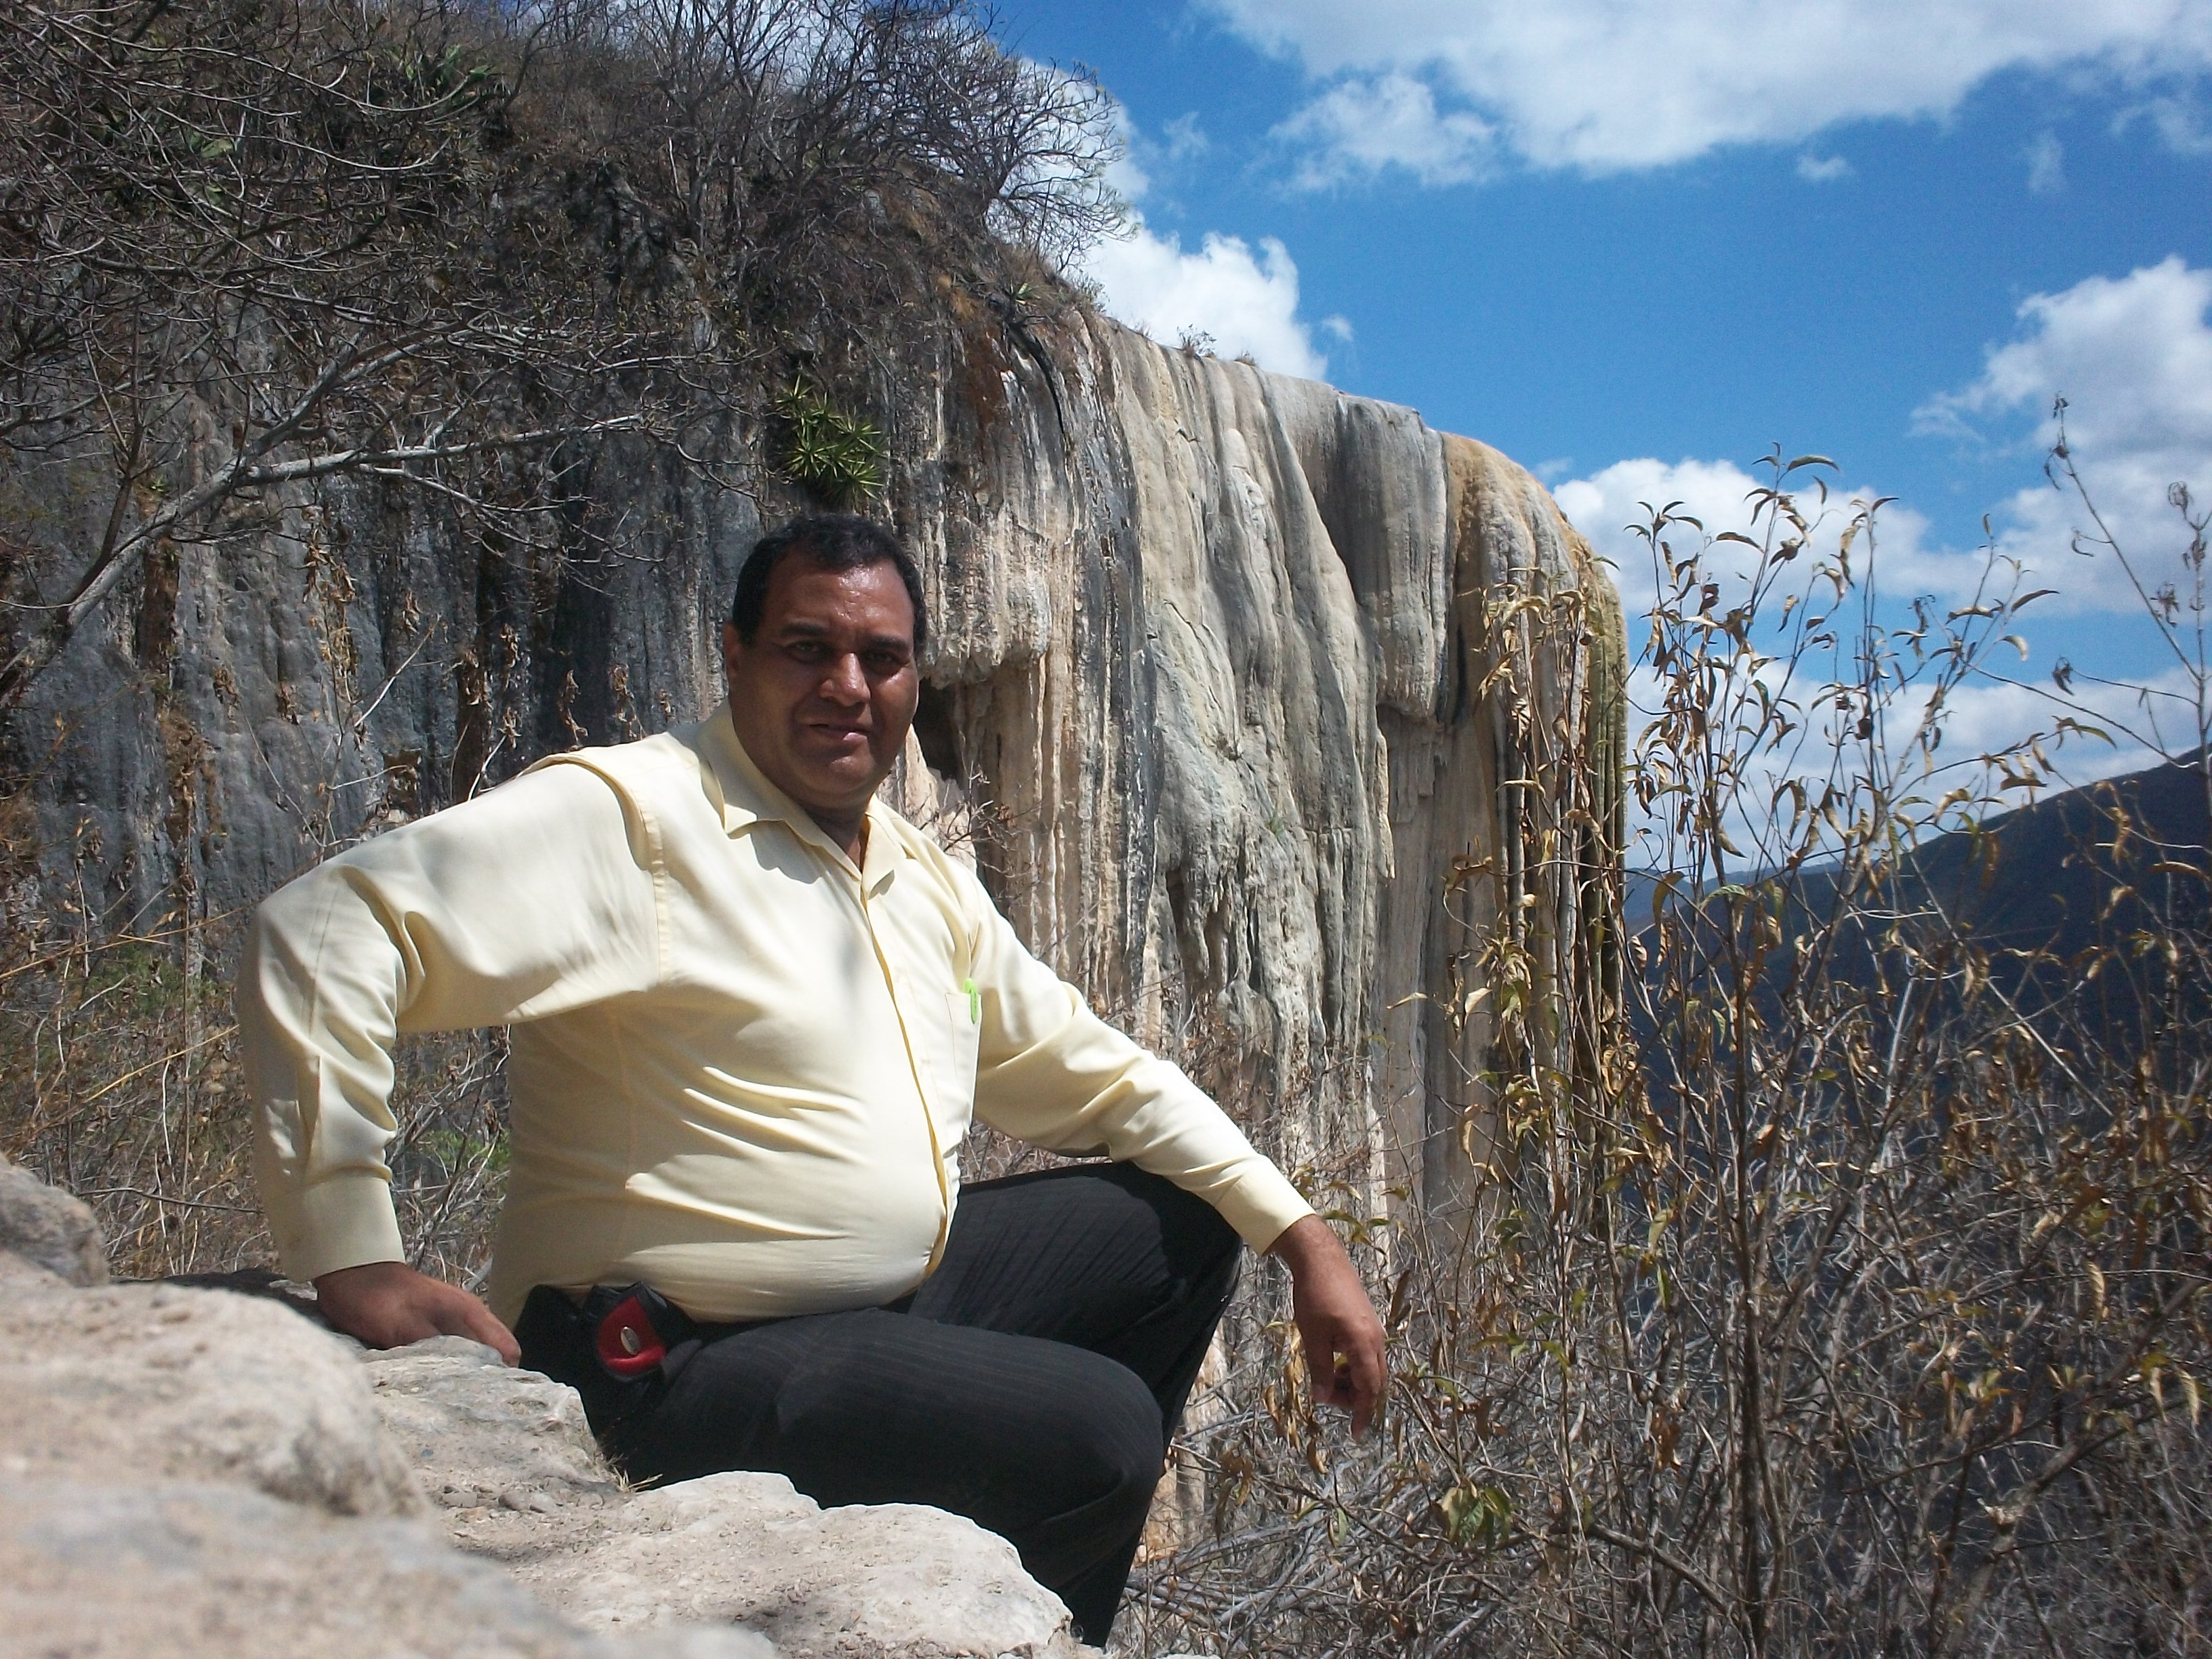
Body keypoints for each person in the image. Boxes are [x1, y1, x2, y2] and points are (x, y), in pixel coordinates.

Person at [240, 513, 1385, 1643]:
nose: (847, 684)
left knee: (1177, 1223)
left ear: (913, 682)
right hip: (662, 1359)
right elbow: (333, 928)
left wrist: (1306, 1241)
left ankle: (1011, 1610)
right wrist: (353, 1253)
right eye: (806, 648)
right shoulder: (637, 818)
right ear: (734, 655)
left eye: (881, 658)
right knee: (1101, 1433)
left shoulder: (910, 869)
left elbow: (1093, 1072)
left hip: (859, 1315)